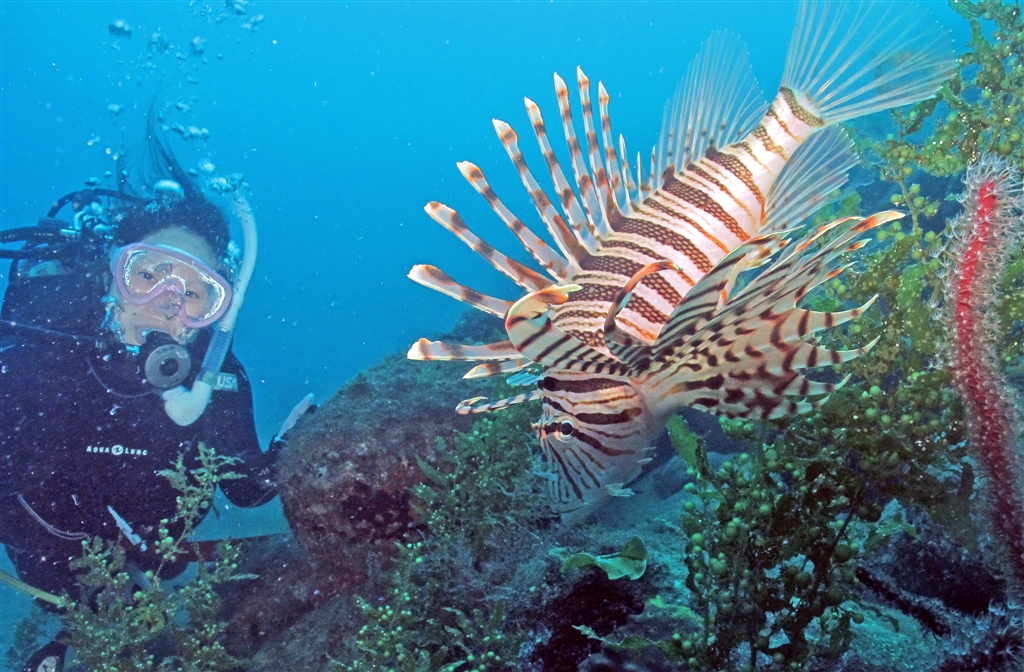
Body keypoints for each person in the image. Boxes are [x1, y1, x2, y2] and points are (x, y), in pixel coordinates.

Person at [0, 132, 298, 672]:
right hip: (48, 568)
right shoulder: (32, 364)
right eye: (148, 276)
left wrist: (304, 449)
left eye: (195, 292)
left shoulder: (217, 376)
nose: (167, 306)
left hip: (160, 553)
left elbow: (245, 484)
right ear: (112, 278)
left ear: (217, 309)